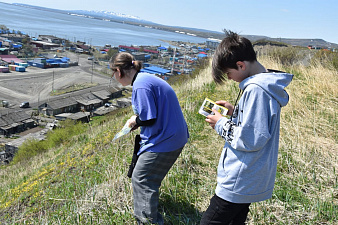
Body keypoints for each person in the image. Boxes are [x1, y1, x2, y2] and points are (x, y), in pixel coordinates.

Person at [200, 31, 293, 225]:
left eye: (229, 74)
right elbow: (258, 125)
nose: (231, 78)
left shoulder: (256, 90)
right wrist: (236, 112)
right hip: (251, 175)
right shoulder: (266, 86)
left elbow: (251, 139)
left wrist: (221, 123)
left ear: (240, 65)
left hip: (239, 178)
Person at [110, 52, 189, 225]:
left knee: (142, 178)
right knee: (147, 177)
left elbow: (149, 118)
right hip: (174, 134)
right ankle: (149, 213)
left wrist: (135, 121)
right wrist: (138, 121)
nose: (115, 77)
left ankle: (147, 221)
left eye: (113, 73)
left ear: (119, 71)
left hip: (167, 139)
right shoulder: (144, 79)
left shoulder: (140, 85)